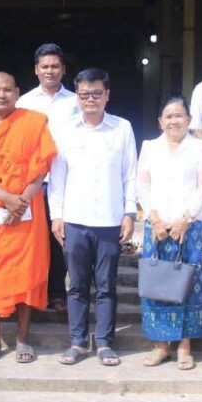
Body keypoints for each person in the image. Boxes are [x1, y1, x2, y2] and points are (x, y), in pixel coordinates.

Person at [48, 68, 137, 367]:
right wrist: (56, 216)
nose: (90, 99)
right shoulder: (65, 130)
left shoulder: (122, 128)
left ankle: (104, 343)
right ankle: (77, 342)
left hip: (110, 220)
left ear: (107, 95)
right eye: (84, 94)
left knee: (106, 285)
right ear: (77, 97)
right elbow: (57, 177)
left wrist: (129, 212)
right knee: (76, 285)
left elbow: (130, 174)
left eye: (96, 93)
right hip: (75, 219)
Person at [0, 72, 57, 364]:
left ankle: (22, 338)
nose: (2, 94)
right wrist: (6, 198)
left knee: (26, 271)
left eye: (7, 89)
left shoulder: (34, 122)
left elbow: (42, 167)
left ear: (17, 92)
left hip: (27, 209)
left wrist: (22, 200)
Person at [136, 97, 202, 370]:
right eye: (168, 116)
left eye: (179, 115)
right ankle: (161, 346)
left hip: (188, 227)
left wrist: (186, 218)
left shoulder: (200, 148)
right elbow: (141, 185)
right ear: (160, 121)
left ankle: (184, 347)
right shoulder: (150, 147)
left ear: (189, 120)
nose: (174, 121)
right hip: (156, 227)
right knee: (157, 283)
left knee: (187, 286)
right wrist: (155, 219)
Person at [17, 43, 79, 314]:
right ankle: (31, 292)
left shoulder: (76, 101)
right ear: (36, 70)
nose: (50, 71)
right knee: (30, 240)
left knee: (59, 239)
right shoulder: (24, 102)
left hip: (66, 181)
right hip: (34, 182)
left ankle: (56, 293)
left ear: (63, 69)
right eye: (45, 66)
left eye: (55, 66)